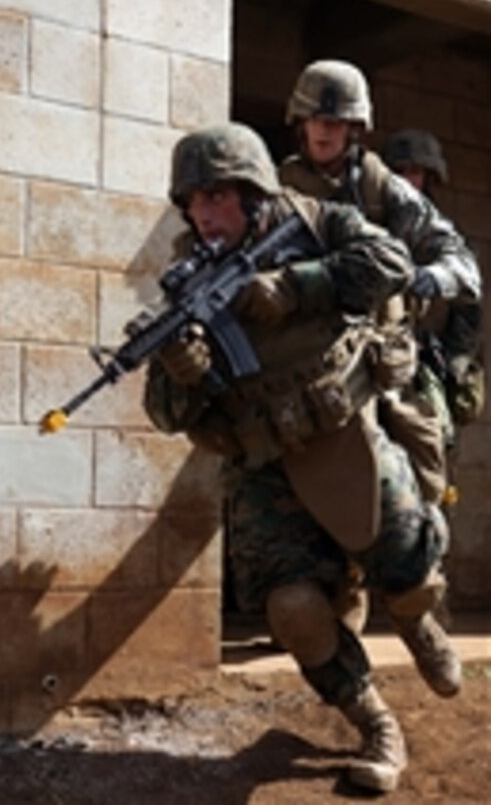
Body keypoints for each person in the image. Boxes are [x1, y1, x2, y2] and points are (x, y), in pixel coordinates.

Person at [143, 122, 461, 793]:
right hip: (262, 464)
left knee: (409, 569)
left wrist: (296, 287)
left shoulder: (318, 220)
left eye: (217, 196)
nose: (204, 213)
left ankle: (415, 622)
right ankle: (375, 723)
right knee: (293, 610)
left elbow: (392, 265)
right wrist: (181, 368)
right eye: (193, 201)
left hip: (342, 430)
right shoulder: (185, 278)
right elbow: (168, 415)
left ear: (255, 193)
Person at [279, 60, 483, 627]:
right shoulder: (276, 190)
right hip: (314, 366)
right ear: (300, 121)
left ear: (354, 127)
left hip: (389, 362)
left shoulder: (381, 188)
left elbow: (463, 267)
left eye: (337, 120)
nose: (324, 129)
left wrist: (424, 279)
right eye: (316, 118)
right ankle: (341, 610)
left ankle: (416, 599)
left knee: (426, 466)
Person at [382, 128, 485, 450]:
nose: (407, 181)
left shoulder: (443, 237)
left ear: (428, 177)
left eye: (415, 173)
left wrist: (454, 360)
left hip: (424, 359)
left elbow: (469, 307)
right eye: (400, 172)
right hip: (373, 353)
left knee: (433, 445)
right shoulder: (370, 223)